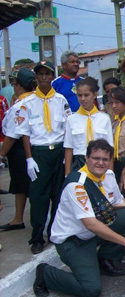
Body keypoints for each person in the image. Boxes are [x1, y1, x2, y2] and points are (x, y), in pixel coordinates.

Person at [33, 139, 125, 297]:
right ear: (86, 158)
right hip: (73, 241)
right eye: (96, 158)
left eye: (105, 159)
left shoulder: (108, 175)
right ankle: (46, 273)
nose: (100, 163)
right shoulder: (77, 185)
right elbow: (90, 224)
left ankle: (104, 258)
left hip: (92, 235)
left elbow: (118, 202)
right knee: (91, 290)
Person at [16, 61, 72, 254]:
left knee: (58, 196)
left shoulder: (61, 100)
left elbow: (66, 129)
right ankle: (37, 237)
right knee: (39, 198)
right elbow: (24, 133)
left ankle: (54, 232)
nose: (44, 77)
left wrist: (67, 155)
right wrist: (29, 159)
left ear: (51, 76)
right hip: (39, 153)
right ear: (36, 78)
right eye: (40, 74)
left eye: (47, 74)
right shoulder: (27, 103)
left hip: (58, 152)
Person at [0, 68, 35, 231]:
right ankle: (17, 218)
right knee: (19, 186)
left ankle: (32, 220)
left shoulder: (21, 105)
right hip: (30, 148)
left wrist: (1, 155)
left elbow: (12, 134)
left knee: (26, 186)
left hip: (20, 149)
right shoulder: (36, 100)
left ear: (19, 85)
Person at [64, 77, 113, 175]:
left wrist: (110, 172)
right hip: (79, 162)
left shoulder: (104, 118)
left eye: (86, 95)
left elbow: (110, 147)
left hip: (100, 162)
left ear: (94, 95)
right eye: (79, 95)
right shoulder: (71, 119)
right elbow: (68, 148)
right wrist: (67, 174)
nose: (83, 99)